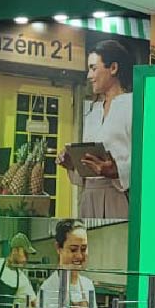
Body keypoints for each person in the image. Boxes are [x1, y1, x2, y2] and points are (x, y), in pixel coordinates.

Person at [61, 40, 133, 220]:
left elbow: (146, 159)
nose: (89, 75)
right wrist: (73, 164)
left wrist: (117, 170)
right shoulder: (92, 112)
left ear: (113, 68)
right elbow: (86, 169)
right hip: (89, 197)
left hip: (119, 196)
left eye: (93, 68)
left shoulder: (133, 105)